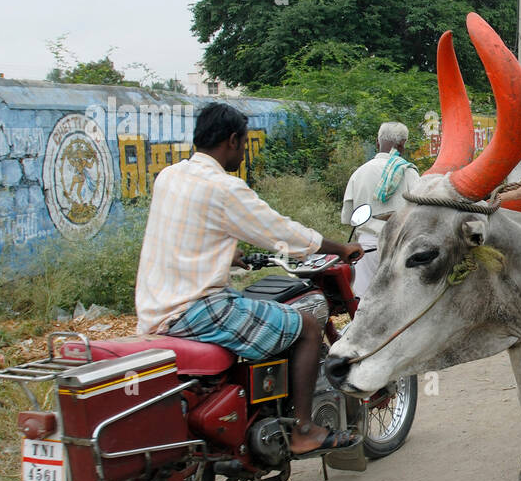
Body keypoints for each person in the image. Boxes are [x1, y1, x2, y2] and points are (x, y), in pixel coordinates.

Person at [135, 102, 364, 456]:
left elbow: (184, 231)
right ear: (231, 141)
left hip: (154, 310)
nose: (242, 153)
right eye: (242, 145)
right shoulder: (224, 188)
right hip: (196, 310)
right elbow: (280, 231)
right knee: (305, 326)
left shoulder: (169, 176)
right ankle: (304, 430)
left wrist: (227, 253)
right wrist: (339, 247)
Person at [341, 121, 419, 298]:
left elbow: (348, 217)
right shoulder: (408, 172)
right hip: (400, 245)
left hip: (366, 248)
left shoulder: (359, 173)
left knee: (363, 300)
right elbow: (420, 211)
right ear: (402, 145)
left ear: (377, 143)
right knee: (398, 300)